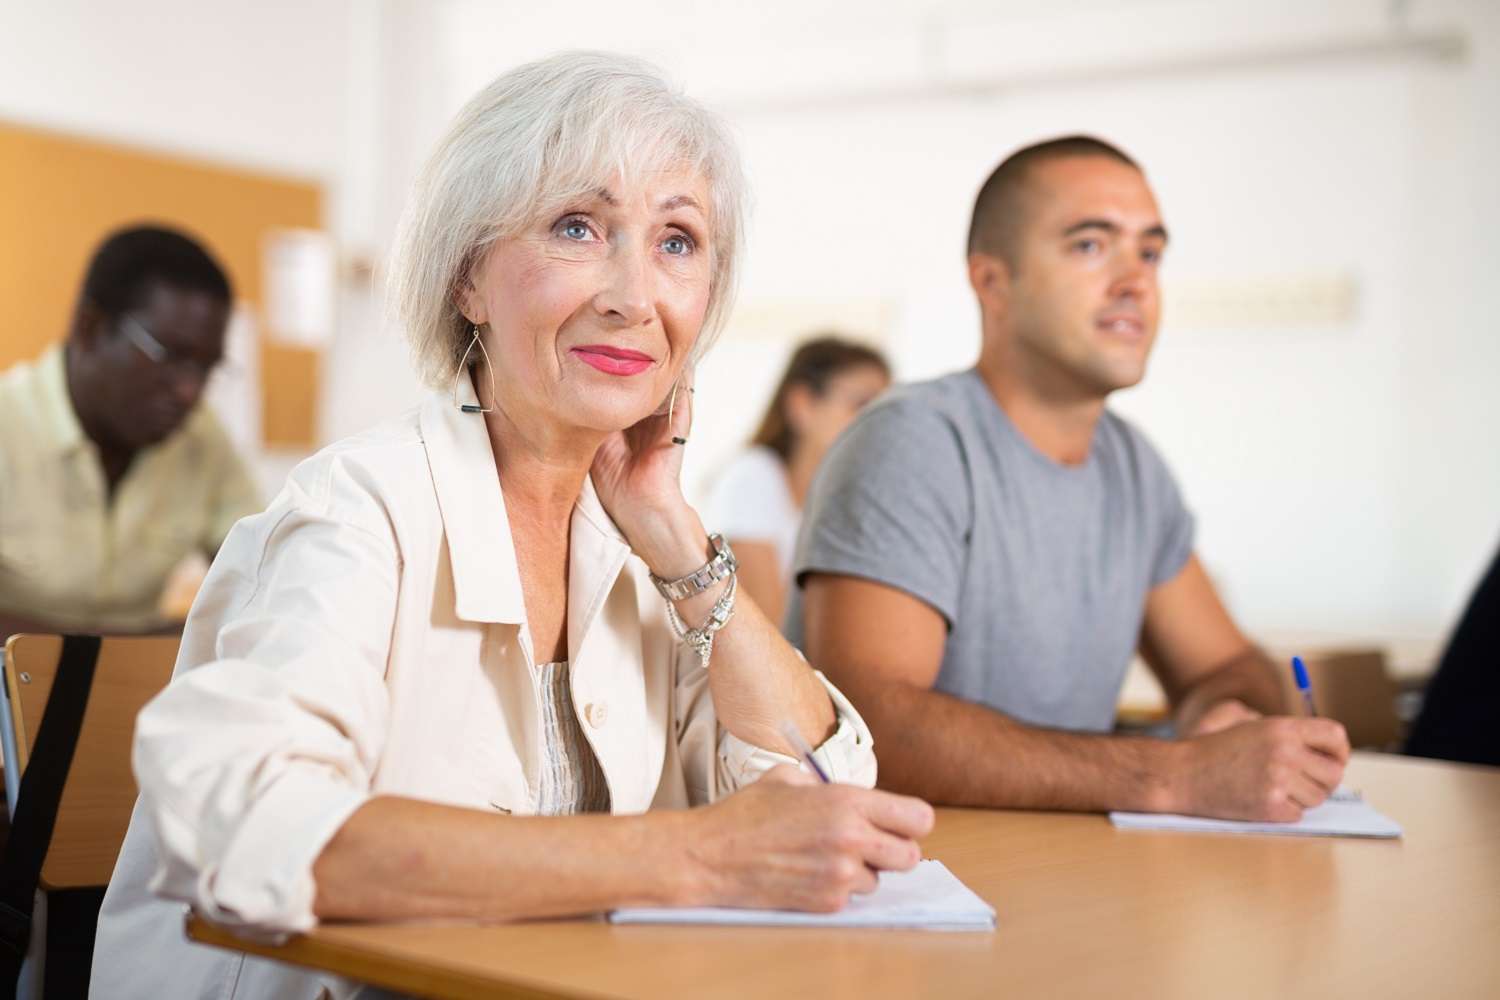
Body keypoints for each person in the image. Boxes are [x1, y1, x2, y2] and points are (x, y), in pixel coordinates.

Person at [91, 53, 932, 999]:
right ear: (467, 282)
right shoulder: (356, 510)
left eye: (678, 242)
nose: (635, 294)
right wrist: (692, 854)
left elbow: (824, 794)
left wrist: (675, 535)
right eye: (578, 226)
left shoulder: (635, 538)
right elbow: (251, 824)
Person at [787, 136, 1351, 821]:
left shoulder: (1133, 468)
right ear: (993, 281)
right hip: (918, 881)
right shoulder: (911, 442)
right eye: (1090, 245)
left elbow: (1226, 664)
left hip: (1068, 878)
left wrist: (1225, 713)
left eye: (1150, 252)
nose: (1135, 282)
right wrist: (1174, 774)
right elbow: (875, 727)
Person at [0, 224, 260, 638]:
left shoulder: (202, 438)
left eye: (206, 367)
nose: (189, 391)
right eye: (170, 356)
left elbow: (265, 574)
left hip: (130, 697)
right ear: (90, 327)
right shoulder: (8, 422)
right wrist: (133, 651)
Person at [705, 335, 890, 623]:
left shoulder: (848, 498)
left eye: (885, 411)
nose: (877, 425)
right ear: (801, 404)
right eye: (862, 405)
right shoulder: (752, 476)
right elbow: (765, 623)